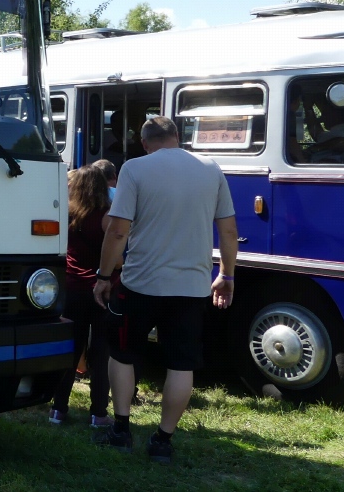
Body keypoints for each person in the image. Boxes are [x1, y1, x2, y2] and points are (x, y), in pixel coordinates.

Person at [92, 117, 238, 465]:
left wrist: (102, 275)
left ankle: (121, 429)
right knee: (180, 364)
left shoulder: (135, 169)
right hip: (191, 286)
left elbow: (117, 231)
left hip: (141, 282)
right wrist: (227, 275)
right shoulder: (210, 168)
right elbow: (229, 230)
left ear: (144, 143)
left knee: (123, 354)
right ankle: (163, 440)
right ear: (178, 137)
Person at [49, 164, 113, 428]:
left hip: (72, 289)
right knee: (101, 353)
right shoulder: (109, 217)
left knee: (70, 351)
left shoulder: (68, 214)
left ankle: (58, 410)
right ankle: (98, 414)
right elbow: (116, 258)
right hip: (102, 291)